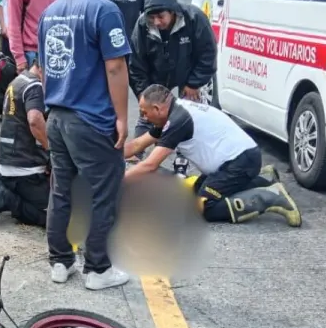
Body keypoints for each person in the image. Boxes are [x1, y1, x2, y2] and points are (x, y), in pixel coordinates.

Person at [39, 0, 133, 291]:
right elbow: (115, 68)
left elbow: (45, 69)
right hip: (91, 119)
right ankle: (97, 269)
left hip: (58, 117)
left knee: (61, 191)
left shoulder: (51, 11)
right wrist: (122, 118)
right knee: (104, 192)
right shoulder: (104, 10)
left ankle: (60, 261)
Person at [124, 84, 301, 226]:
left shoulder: (178, 121)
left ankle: (271, 196)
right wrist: (105, 160)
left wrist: (118, 181)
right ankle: (264, 178)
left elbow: (150, 164)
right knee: (189, 196)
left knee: (203, 207)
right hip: (240, 158)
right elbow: (138, 144)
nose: (144, 118)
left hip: (239, 161)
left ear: (157, 108)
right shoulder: (174, 113)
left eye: (144, 113)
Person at [128, 0, 216, 116]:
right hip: (156, 81)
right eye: (152, 18)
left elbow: (208, 53)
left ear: (172, 11)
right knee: (151, 124)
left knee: (192, 122)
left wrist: (194, 83)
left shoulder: (195, 18)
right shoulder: (142, 25)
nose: (156, 22)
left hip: (189, 79)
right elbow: (136, 66)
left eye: (161, 17)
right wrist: (144, 95)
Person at [0, 56, 49, 228]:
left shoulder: (19, 81)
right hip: (25, 168)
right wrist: (51, 149)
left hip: (9, 163)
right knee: (55, 211)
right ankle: (6, 197)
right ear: (43, 68)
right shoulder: (35, 86)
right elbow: (35, 120)